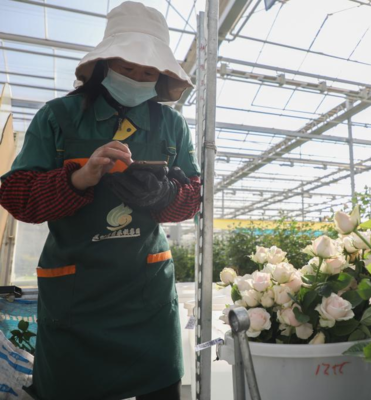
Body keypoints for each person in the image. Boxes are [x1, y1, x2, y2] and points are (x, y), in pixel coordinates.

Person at [0, 2, 201, 399]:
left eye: (148, 72)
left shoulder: (172, 124)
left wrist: (165, 195)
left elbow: (193, 197)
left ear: (160, 77)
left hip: (147, 295)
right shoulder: (58, 116)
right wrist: (79, 179)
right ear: (105, 63)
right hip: (77, 296)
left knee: (160, 387)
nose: (138, 76)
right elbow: (16, 196)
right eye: (128, 67)